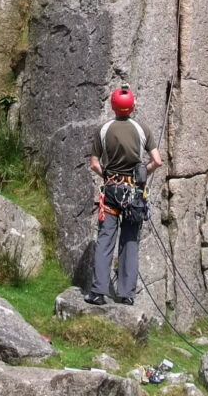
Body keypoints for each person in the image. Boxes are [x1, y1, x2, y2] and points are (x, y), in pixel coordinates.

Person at [84, 86, 162, 306]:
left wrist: (108, 175)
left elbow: (94, 164)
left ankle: (99, 291)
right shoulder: (142, 129)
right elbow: (157, 161)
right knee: (130, 241)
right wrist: (142, 173)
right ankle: (127, 294)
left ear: (113, 106)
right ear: (133, 105)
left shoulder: (104, 130)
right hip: (134, 194)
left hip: (111, 191)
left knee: (105, 239)